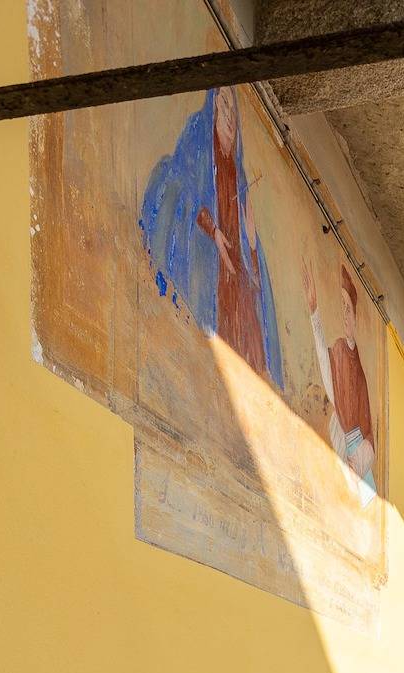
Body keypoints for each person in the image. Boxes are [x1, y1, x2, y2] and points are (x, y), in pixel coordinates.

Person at [139, 88, 284, 390]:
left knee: (247, 344)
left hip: (233, 281)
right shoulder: (198, 137)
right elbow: (182, 184)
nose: (230, 117)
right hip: (204, 257)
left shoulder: (239, 176)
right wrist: (214, 231)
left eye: (234, 112)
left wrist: (251, 242)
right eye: (224, 106)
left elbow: (253, 276)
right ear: (214, 107)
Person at [302, 258, 376, 504]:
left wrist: (355, 466)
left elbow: (369, 435)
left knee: (360, 509)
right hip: (340, 443)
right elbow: (326, 368)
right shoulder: (339, 350)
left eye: (348, 308)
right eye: (342, 306)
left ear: (355, 316)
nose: (344, 314)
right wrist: (314, 310)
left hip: (356, 455)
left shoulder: (360, 371)